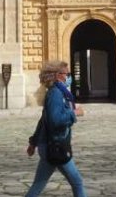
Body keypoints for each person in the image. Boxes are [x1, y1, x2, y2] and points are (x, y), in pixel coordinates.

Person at [25, 60, 86, 197]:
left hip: (49, 145)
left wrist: (33, 142)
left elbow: (43, 121)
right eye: (67, 74)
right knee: (77, 182)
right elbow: (55, 120)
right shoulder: (56, 94)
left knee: (38, 184)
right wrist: (74, 113)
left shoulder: (57, 92)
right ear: (58, 75)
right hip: (55, 146)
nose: (68, 77)